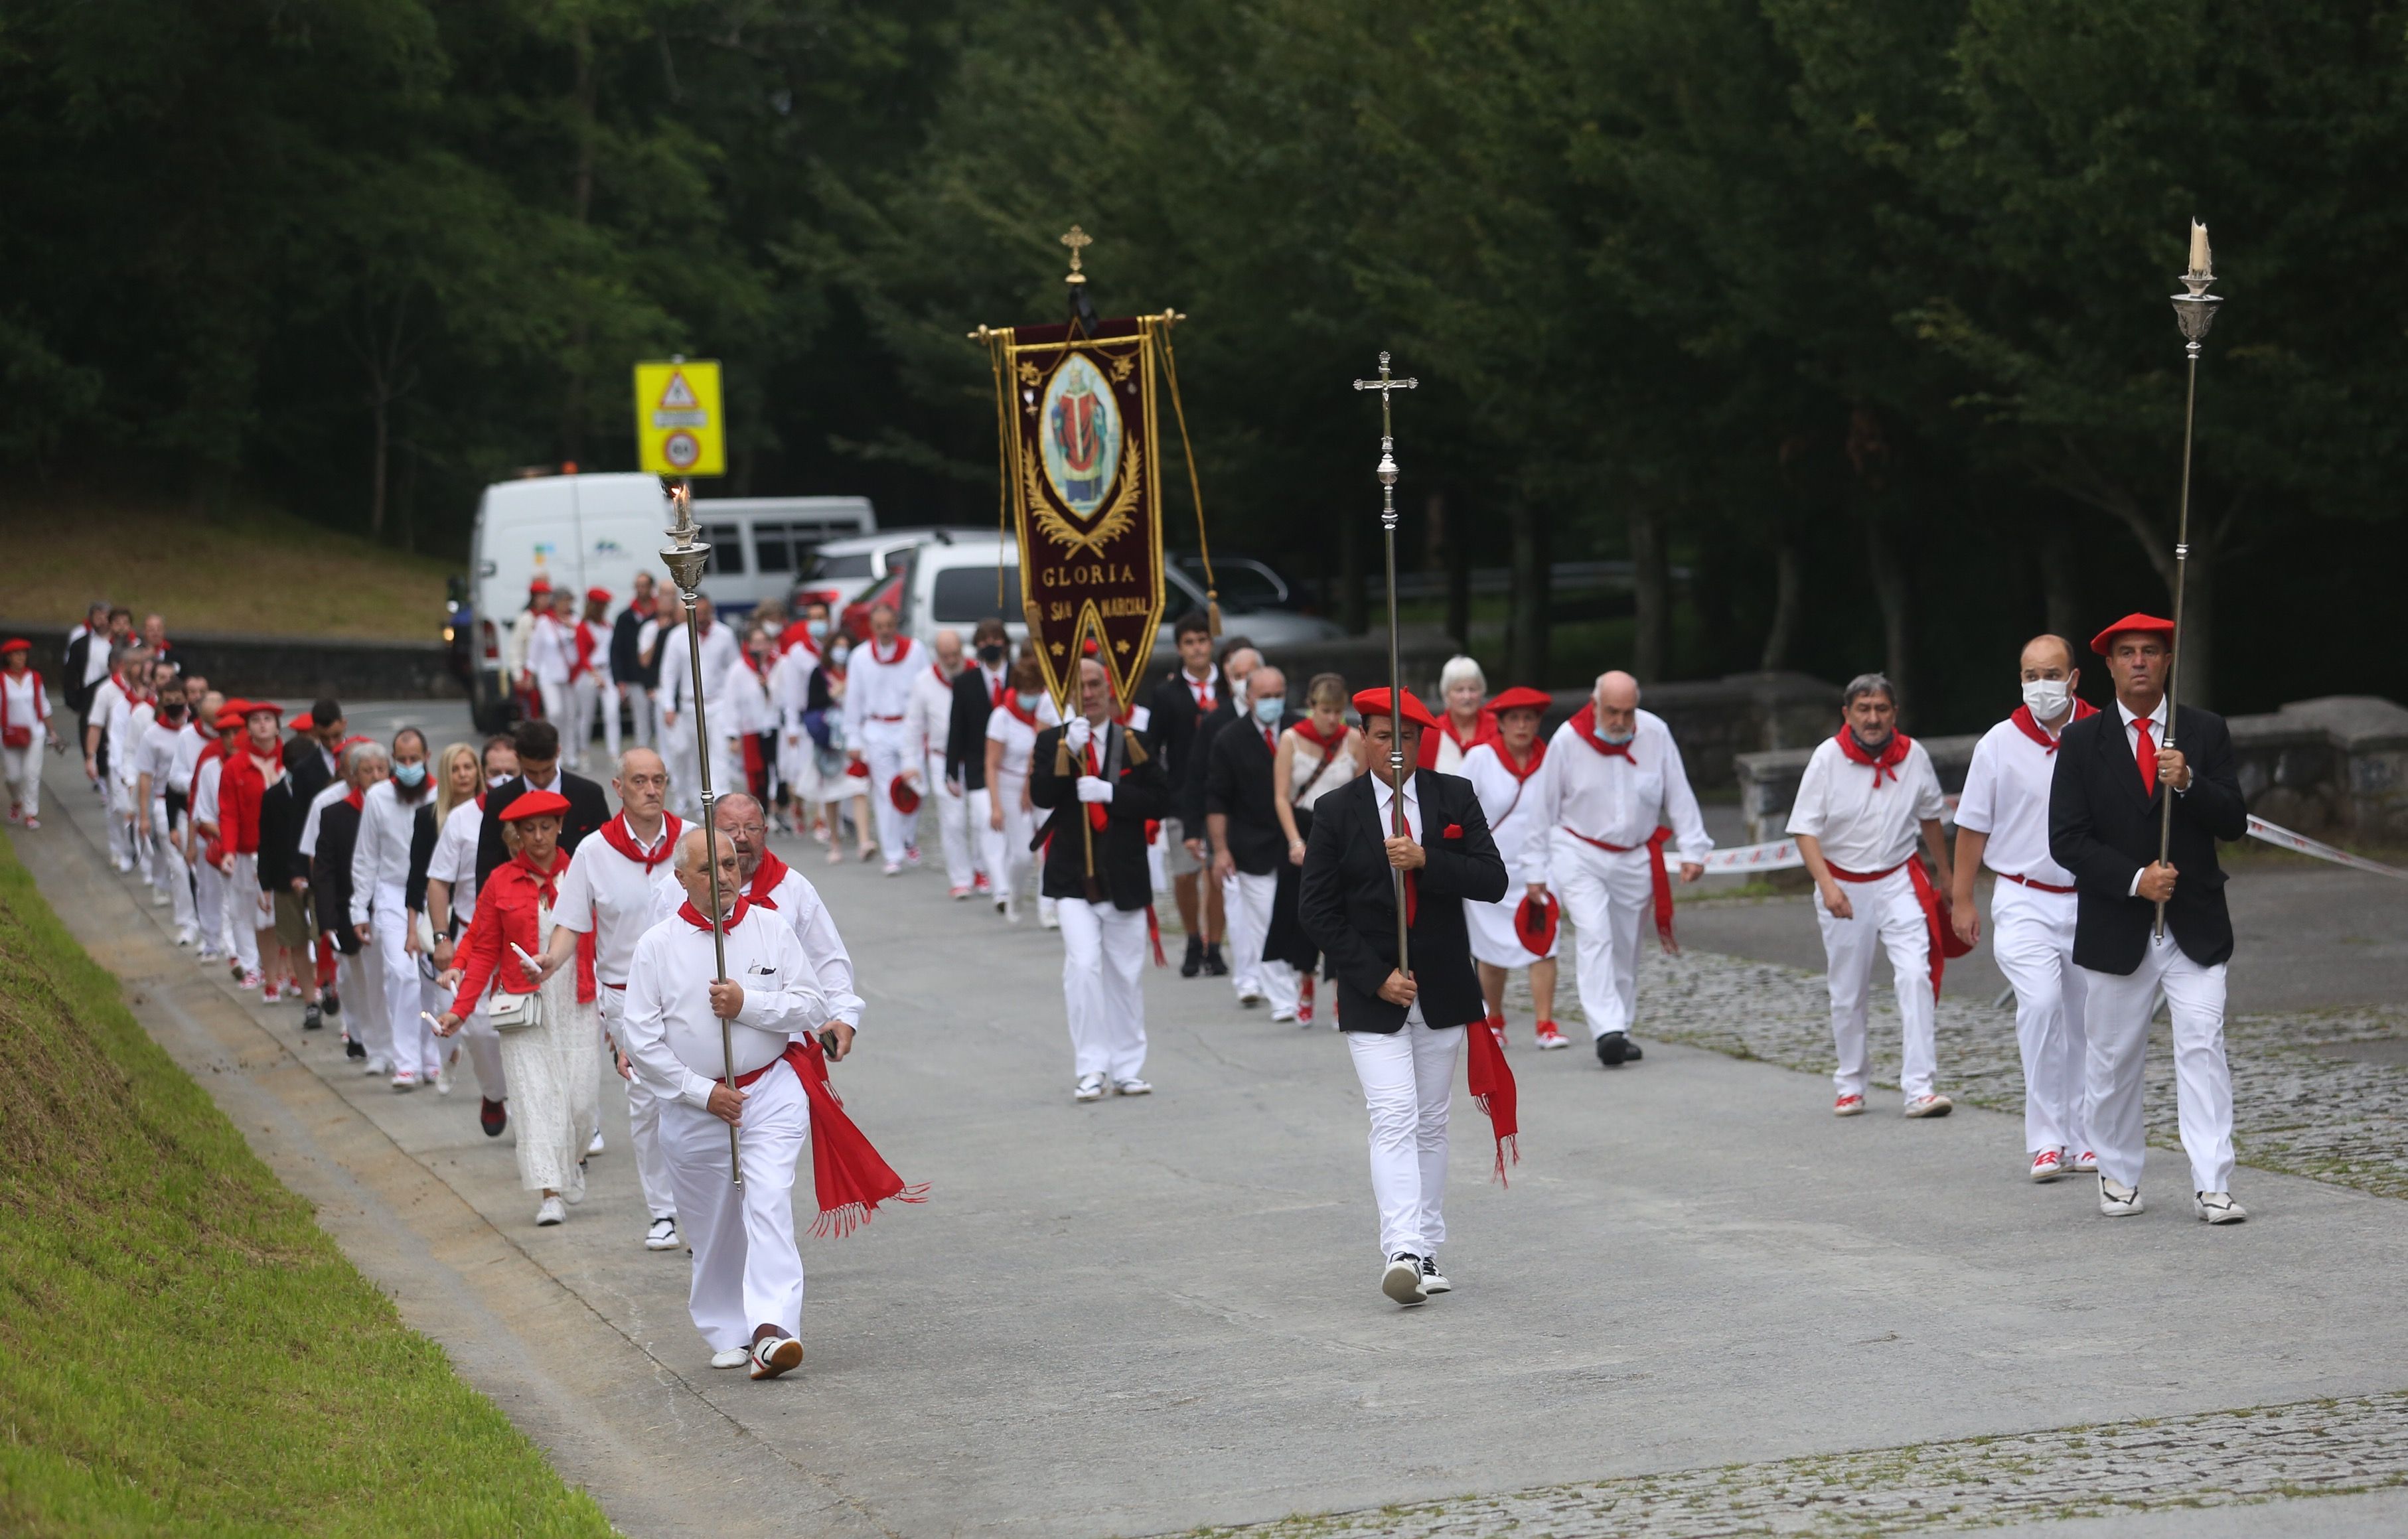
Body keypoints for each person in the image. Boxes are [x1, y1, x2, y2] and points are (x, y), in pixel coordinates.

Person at [1298, 688, 1510, 1307]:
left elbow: (1493, 879)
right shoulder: (1335, 810)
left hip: (1442, 987)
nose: (1395, 748)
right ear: (1363, 739)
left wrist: (1426, 859)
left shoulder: (1454, 795)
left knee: (1431, 1122)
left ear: (1422, 742)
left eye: (1407, 737)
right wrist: (1375, 976)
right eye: (1383, 736)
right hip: (1374, 994)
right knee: (1393, 1115)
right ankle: (1403, 1250)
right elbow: (1317, 911)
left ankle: (1428, 1246)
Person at [2049, 613, 2249, 1223]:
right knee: (2113, 1059)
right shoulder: (2081, 741)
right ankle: (2117, 1173)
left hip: (2195, 925)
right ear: (2109, 666)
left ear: (2167, 661)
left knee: (2203, 1045)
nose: (2139, 661)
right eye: (2127, 652)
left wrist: (2188, 782)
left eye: (2151, 651)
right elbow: (2067, 839)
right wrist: (2137, 879)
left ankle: (2213, 1182)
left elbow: (2234, 820)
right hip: (2117, 925)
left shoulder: (2204, 730)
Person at [1952, 635, 2099, 1183]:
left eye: (2052, 674)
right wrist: (1962, 898)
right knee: (2040, 1006)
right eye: (2031, 675)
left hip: (2091, 897)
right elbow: (1973, 825)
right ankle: (2046, 1139)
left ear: (2074, 678)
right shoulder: (1998, 743)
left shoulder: (2103, 732)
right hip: (2022, 895)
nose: (2041, 686)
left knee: (2088, 1019)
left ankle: (2086, 1137)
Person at [1787, 673, 1957, 1118]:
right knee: (1848, 990)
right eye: (1864, 709)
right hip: (1843, 884)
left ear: (1894, 713)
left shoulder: (1914, 755)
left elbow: (1931, 817)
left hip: (1899, 879)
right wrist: (1827, 885)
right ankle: (1850, 1082)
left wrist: (1947, 877)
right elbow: (1804, 829)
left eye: (1881, 709)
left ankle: (1920, 1087)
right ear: (1847, 714)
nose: (1873, 718)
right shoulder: (1827, 758)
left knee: (1915, 975)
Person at [1525, 670, 1712, 1068]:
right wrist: (1535, 869)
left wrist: (1693, 848)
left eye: (1628, 712)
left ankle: (1620, 1029)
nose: (1620, 721)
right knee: (1595, 932)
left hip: (1635, 855)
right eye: (1612, 711)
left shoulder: (1655, 733)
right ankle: (1606, 1029)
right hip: (1579, 850)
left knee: (1627, 944)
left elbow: (1678, 791)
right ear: (1594, 705)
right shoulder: (1567, 740)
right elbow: (1543, 807)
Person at [435, 790, 602, 1227]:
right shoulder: (500, 881)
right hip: (522, 1005)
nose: (539, 836)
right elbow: (484, 950)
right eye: (529, 829)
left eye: (547, 826)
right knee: (533, 1100)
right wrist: (460, 1010)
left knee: (581, 1103)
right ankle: (550, 1194)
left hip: (577, 999)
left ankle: (572, 1161)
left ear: (561, 826)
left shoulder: (583, 872)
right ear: (517, 835)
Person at [543, 747, 686, 1252]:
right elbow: (570, 924)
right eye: (640, 781)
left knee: (698, 1101)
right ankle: (663, 1212)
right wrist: (549, 961)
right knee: (647, 1103)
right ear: (618, 788)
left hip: (691, 994)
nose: (651, 789)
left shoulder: (692, 840)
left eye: (658, 780)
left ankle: (703, 1211)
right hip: (628, 1000)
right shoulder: (594, 851)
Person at [1030, 657, 1169, 1099]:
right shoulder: (1052, 740)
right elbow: (1041, 795)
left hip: (1123, 875)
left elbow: (1161, 799)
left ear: (1110, 688)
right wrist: (1065, 755)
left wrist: (1111, 793)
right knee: (1085, 965)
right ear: (1068, 694)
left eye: (1095, 684)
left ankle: (1128, 1067)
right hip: (1071, 876)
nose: (1088, 693)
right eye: (1080, 686)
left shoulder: (1135, 741)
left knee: (1125, 974)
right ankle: (1091, 1066)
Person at [1458, 686, 1564, 1048]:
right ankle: (1495, 1018)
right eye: (1514, 718)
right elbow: (1459, 806)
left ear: (1538, 723)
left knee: (1545, 943)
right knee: (1491, 948)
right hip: (1490, 869)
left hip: (1541, 867)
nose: (1522, 726)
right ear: (1500, 723)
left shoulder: (1552, 760)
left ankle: (1545, 1024)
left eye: (1529, 718)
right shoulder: (1480, 758)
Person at [428, 736, 517, 1136]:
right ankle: (494, 1091)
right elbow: (438, 881)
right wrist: (442, 937)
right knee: (480, 1028)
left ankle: (526, 1102)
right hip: (473, 934)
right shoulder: (463, 819)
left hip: (525, 937)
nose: (503, 779)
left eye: (511, 772)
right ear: (483, 772)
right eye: (495, 772)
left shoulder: (536, 819)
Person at [1264, 672, 1362, 1025]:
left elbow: (1360, 794)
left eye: (1338, 711)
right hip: (1303, 827)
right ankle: (1305, 980)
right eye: (1325, 710)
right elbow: (1281, 796)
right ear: (1311, 707)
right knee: (1303, 911)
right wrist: (1295, 841)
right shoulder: (1291, 739)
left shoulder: (1353, 740)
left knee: (1344, 912)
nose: (1332, 718)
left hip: (1341, 831)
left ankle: (1340, 989)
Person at [352, 729, 443, 1092]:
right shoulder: (378, 797)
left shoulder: (440, 796)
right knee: (403, 975)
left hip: (433, 894)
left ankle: (431, 1057)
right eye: (401, 760)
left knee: (432, 980)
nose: (407, 766)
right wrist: (359, 909)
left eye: (414, 759)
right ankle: (405, 1062)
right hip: (391, 894)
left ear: (427, 757)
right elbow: (366, 856)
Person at [1208, 664, 1302, 1015]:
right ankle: (1283, 999)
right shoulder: (1229, 739)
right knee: (1264, 920)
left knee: (1298, 916)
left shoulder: (1298, 730)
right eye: (1265, 697)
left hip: (1297, 839)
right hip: (1251, 844)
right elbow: (1217, 799)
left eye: (1278, 695)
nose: (1272, 702)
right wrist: (1221, 850)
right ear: (1248, 697)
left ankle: (1298, 981)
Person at [1149, 611, 1231, 976]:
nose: (1197, 648)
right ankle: (1192, 938)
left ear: (1211, 644)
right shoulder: (1167, 694)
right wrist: (1164, 789)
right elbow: (1154, 747)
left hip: (1223, 796)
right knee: (1185, 874)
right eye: (1189, 643)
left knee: (1218, 873)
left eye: (1202, 640)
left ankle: (1215, 945)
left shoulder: (1228, 689)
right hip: (1182, 797)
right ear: (1180, 649)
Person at [1181, 640, 1262, 978]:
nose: (1244, 682)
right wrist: (1192, 829)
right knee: (1231, 892)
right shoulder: (1217, 721)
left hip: (1270, 824)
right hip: (1227, 820)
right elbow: (1197, 776)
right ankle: (1235, 965)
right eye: (1237, 676)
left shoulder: (1283, 719)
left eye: (1250, 674)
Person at [314, 741, 393, 1073]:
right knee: (365, 984)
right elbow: (325, 871)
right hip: (357, 911)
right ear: (354, 776)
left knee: (399, 981)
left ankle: (407, 1050)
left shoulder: (403, 807)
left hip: (396, 907)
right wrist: (328, 918)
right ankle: (377, 1049)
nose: (375, 776)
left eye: (381, 769)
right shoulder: (335, 814)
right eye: (367, 771)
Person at [474, 719, 611, 892]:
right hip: (516, 900)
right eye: (531, 772)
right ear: (518, 758)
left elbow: (605, 857)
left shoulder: (589, 795)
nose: (540, 779)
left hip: (581, 898)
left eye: (546, 770)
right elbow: (487, 866)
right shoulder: (499, 799)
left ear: (558, 752)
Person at [842, 603, 925, 876]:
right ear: (872, 628)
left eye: (889, 625)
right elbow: (853, 699)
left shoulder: (915, 651)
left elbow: (926, 689)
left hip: (909, 726)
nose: (885, 631)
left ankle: (908, 836)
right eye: (879, 627)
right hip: (877, 728)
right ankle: (893, 853)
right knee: (885, 792)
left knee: (916, 785)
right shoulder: (860, 657)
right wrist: (853, 738)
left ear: (896, 624)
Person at [216, 699, 287, 991]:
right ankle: (250, 967)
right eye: (256, 720)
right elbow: (228, 812)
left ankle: (284, 971)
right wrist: (229, 851)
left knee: (283, 912)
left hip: (285, 851)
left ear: (277, 726)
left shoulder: (290, 761)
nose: (262, 725)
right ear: (248, 729)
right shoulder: (235, 766)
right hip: (249, 851)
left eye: (268, 719)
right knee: (245, 911)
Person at [658, 593, 743, 824]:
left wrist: (735, 703)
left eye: (705, 613)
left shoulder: (724, 635)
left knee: (720, 753)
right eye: (698, 613)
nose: (702, 618)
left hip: (719, 703)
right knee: (692, 754)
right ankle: (694, 797)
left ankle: (721, 801)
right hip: (689, 704)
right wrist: (668, 705)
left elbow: (734, 670)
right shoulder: (677, 637)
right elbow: (669, 673)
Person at [946, 617, 1011, 897]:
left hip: (1013, 766)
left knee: (1013, 828)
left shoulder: (1020, 677)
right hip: (977, 765)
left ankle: (1007, 876)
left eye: (995, 639)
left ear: (1005, 643)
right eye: (984, 641)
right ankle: (1000, 886)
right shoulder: (965, 682)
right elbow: (956, 728)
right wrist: (951, 770)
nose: (990, 645)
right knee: (986, 820)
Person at [909, 627, 976, 897]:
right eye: (945, 656)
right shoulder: (924, 681)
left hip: (975, 757)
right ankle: (961, 877)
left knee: (981, 818)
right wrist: (910, 762)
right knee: (953, 820)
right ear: (937, 655)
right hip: (941, 757)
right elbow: (914, 725)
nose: (951, 660)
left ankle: (982, 869)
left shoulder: (977, 674)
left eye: (955, 654)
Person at [132, 674, 198, 942]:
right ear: (160, 703)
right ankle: (187, 922)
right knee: (178, 866)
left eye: (178, 700)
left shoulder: (194, 730)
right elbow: (145, 776)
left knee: (201, 865)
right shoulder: (152, 735)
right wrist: (144, 816)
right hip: (163, 804)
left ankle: (209, 921)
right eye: (168, 700)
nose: (174, 705)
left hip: (195, 804)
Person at [982, 656, 1049, 922]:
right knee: (1022, 854)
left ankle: (1048, 907)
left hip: (1041, 784)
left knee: (1048, 849)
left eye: (1035, 691)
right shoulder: (1002, 717)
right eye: (1026, 691)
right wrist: (996, 806)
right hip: (1010, 785)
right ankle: (1016, 893)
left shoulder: (1046, 711)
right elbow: (991, 764)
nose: (1031, 697)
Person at [85, 640, 149, 871]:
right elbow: (96, 725)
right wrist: (90, 757)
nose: (140, 669)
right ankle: (121, 850)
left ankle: (142, 856)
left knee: (141, 809)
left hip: (146, 759)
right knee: (120, 808)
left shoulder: (151, 692)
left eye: (143, 664)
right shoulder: (107, 691)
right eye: (135, 664)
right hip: (117, 760)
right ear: (124, 666)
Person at [4, 636, 59, 828]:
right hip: (9, 734)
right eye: (16, 654)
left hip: (34, 732)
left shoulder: (34, 678)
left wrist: (52, 732)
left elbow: (44, 705)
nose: (21, 658)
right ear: (9, 657)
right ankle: (16, 801)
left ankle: (30, 813)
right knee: (12, 776)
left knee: (31, 774)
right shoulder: (2, 680)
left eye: (23, 654)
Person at [565, 587, 619, 771]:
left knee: (612, 713)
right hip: (588, 674)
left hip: (607, 672)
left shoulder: (608, 627)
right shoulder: (583, 627)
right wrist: (595, 675)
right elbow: (582, 656)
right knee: (586, 715)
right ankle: (584, 752)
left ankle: (614, 753)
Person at [1418, 654, 1497, 772]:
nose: (1467, 696)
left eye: (1472, 689)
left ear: (1482, 692)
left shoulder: (1498, 729)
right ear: (1446, 694)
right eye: (1459, 690)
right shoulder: (1432, 733)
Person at [611, 571, 660, 750]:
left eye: (644, 586)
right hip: (634, 676)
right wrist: (619, 679)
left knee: (660, 718)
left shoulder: (659, 615)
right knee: (641, 720)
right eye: (638, 586)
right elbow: (617, 649)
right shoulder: (625, 617)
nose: (640, 590)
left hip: (656, 676)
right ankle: (643, 753)